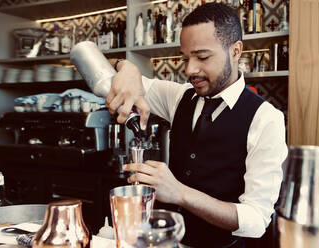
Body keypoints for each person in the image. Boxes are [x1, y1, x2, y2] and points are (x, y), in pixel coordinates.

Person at [106, 3, 288, 248]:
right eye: (184, 58)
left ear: (235, 51)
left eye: (202, 57)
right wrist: (125, 67)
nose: (190, 70)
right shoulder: (179, 96)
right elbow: (92, 63)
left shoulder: (266, 118)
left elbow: (256, 220)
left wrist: (180, 193)